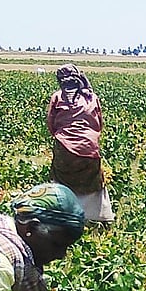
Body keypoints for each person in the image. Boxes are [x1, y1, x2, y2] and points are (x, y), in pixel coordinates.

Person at [47, 64, 115, 223]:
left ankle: (65, 216)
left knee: (61, 182)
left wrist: (64, 137)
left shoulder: (57, 97)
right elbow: (99, 124)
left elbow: (51, 124)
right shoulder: (92, 97)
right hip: (89, 147)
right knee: (93, 181)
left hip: (64, 147)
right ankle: (98, 217)